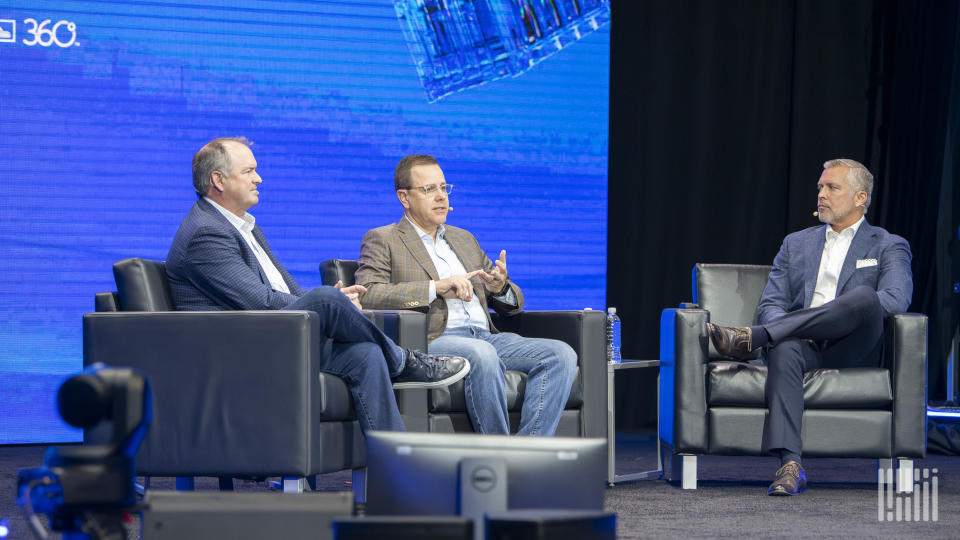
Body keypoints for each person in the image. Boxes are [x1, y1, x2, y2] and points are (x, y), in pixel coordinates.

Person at [165, 137, 470, 433]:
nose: (258, 179)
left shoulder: (244, 227)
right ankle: (404, 362)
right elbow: (262, 302)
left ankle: (395, 468)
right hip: (237, 352)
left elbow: (288, 295)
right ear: (218, 180)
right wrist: (327, 303)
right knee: (327, 299)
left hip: (276, 338)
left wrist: (334, 301)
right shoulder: (205, 233)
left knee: (366, 354)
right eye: (249, 171)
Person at [706, 158, 913, 496]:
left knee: (864, 296)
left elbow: (894, 298)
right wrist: (792, 329)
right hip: (802, 345)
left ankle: (753, 338)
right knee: (784, 346)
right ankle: (790, 465)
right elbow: (771, 304)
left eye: (832, 187)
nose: (821, 194)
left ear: (861, 198)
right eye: (820, 187)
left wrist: (820, 322)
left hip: (854, 345)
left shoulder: (887, 244)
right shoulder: (796, 243)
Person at [355, 154, 578, 436]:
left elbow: (515, 304)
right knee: (481, 354)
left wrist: (500, 287)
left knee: (561, 354)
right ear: (404, 197)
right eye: (429, 189)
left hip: (485, 336)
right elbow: (368, 294)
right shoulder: (383, 238)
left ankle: (526, 457)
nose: (440, 197)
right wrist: (435, 287)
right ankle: (496, 461)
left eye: (444, 188)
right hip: (431, 340)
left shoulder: (464, 239)